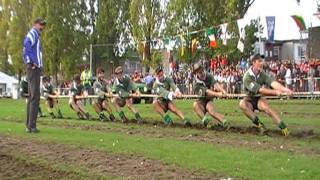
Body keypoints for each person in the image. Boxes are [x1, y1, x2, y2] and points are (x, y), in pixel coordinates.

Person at [239, 54, 293, 136]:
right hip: (249, 99)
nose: (262, 63)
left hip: (258, 98)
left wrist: (285, 90)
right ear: (253, 62)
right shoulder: (247, 77)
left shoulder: (262, 74)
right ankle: (260, 125)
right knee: (242, 104)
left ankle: (284, 128)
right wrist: (275, 92)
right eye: (259, 61)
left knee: (267, 108)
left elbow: (273, 83)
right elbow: (260, 90)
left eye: (262, 61)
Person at [23, 17, 46, 133]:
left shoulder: (36, 35)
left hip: (34, 68)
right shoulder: (33, 33)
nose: (42, 27)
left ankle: (29, 125)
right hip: (33, 68)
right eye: (40, 24)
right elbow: (26, 45)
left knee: (32, 96)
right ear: (35, 24)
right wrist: (31, 62)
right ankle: (31, 125)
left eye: (43, 25)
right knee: (35, 96)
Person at [192, 63, 230, 128]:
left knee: (211, 110)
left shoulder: (209, 75)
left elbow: (216, 84)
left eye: (202, 71)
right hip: (201, 101)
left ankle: (224, 121)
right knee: (195, 105)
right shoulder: (196, 84)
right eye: (199, 72)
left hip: (209, 99)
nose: (202, 73)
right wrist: (217, 94)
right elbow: (207, 91)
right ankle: (206, 121)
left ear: (203, 69)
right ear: (196, 73)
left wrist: (223, 91)